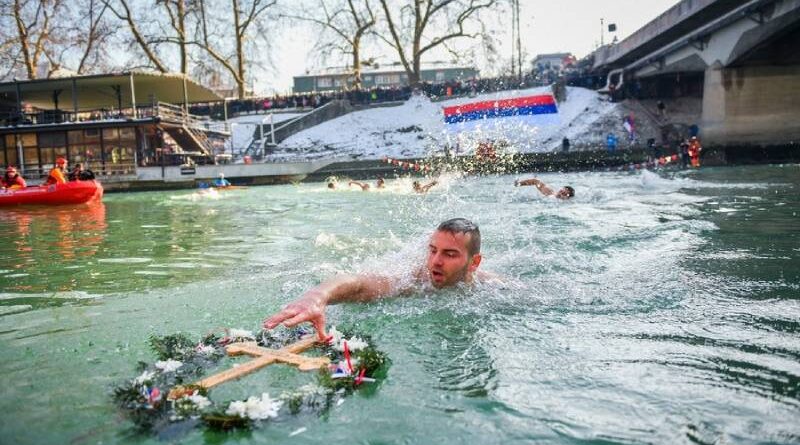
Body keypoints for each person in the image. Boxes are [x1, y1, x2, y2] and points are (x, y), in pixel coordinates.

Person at [263, 218, 492, 340]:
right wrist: (317, 296)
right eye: (432, 250)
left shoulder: (491, 286)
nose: (435, 262)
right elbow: (360, 284)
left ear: (474, 263)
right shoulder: (412, 280)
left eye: (449, 254)